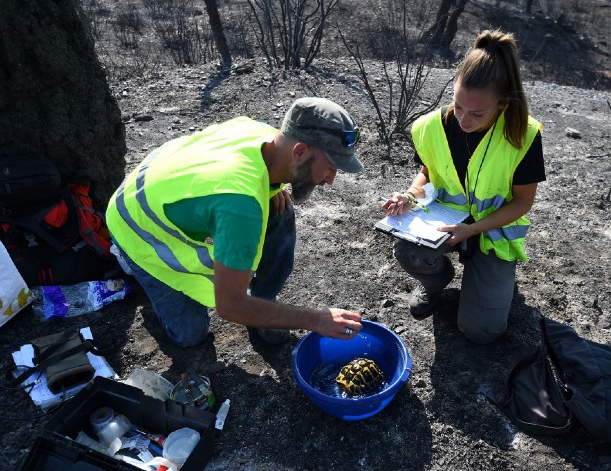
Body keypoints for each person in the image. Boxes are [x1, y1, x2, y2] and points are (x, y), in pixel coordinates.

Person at [105, 97, 364, 347]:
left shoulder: (267, 138)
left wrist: (274, 188)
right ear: (300, 151)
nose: (331, 179)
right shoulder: (241, 205)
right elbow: (229, 306)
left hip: (163, 188)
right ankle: (135, 268)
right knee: (191, 335)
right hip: (135, 225)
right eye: (330, 168)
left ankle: (263, 300)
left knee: (280, 206)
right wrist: (315, 319)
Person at [382, 30, 545, 344]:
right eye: (458, 106)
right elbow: (428, 173)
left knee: (481, 333)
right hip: (443, 224)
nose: (463, 120)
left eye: (477, 113)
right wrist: (408, 196)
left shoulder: (523, 136)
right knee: (407, 251)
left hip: (492, 232)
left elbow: (522, 203)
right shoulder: (431, 127)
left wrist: (472, 230)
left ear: (502, 104)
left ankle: (489, 274)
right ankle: (436, 283)